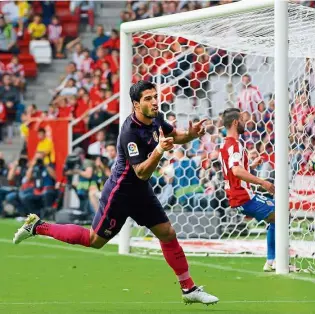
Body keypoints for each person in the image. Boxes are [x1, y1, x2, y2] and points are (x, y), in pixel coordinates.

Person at [13, 81, 219, 305]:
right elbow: (141, 171)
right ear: (136, 104)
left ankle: (188, 289)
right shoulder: (129, 132)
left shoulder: (156, 117)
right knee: (95, 240)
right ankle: (37, 226)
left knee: (167, 233)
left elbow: (174, 136)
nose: (154, 101)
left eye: (154, 96)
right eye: (148, 98)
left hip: (141, 193)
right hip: (119, 194)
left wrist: (191, 135)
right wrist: (159, 150)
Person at [219, 108, 277, 271]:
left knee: (276, 216)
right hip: (243, 197)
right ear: (236, 122)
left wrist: (250, 166)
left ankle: (272, 260)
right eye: (243, 120)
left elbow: (233, 170)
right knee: (280, 216)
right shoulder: (234, 145)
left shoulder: (225, 144)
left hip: (238, 196)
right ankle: (275, 260)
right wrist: (262, 182)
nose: (246, 123)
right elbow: (236, 171)